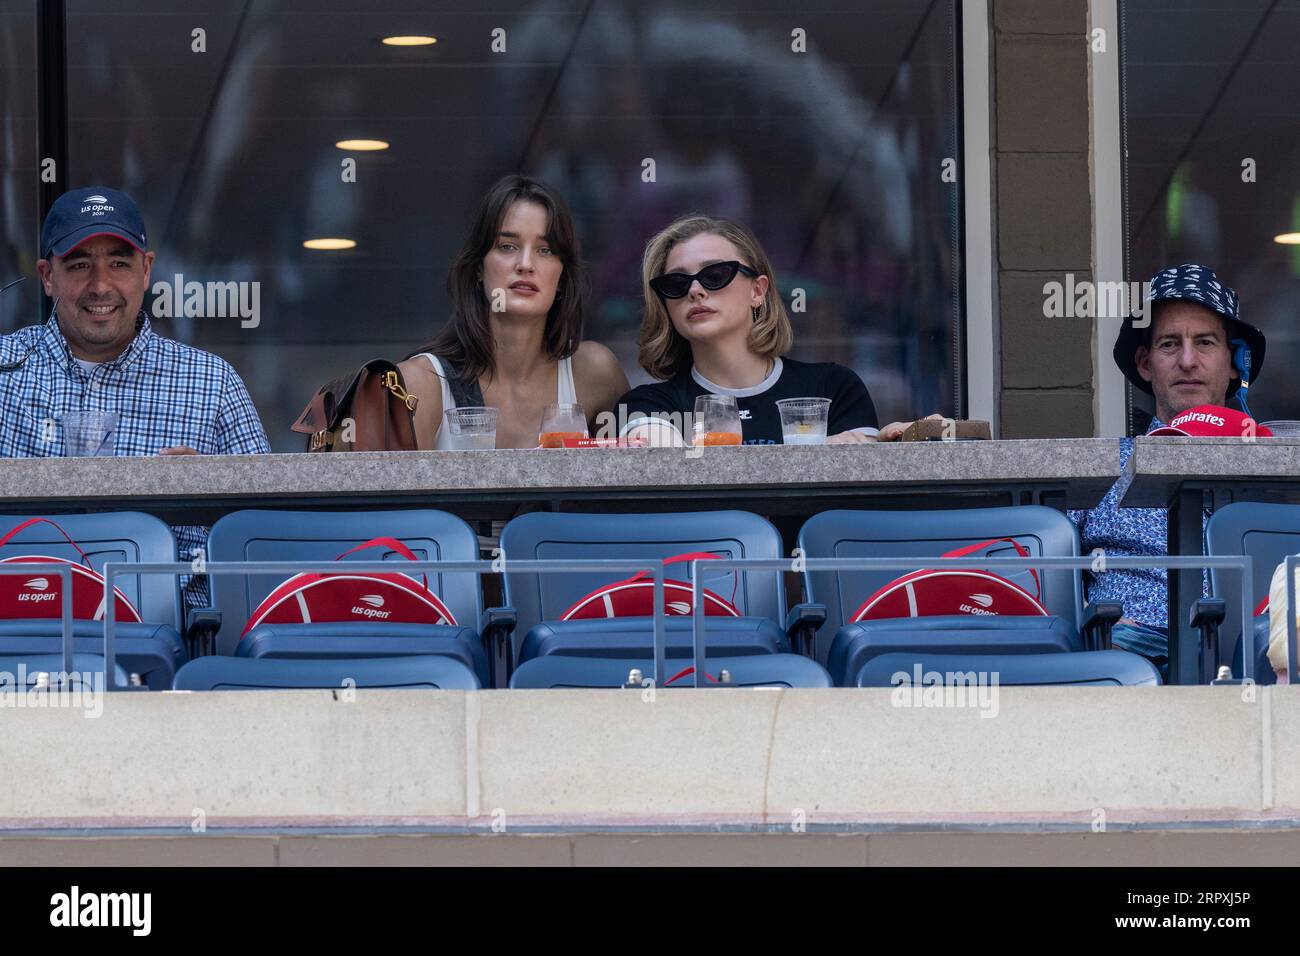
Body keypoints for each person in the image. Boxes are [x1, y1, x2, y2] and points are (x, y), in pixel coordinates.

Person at [0, 186, 270, 607]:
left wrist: (217, 495)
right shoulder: (3, 372)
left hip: (169, 639)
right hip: (20, 630)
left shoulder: (210, 382)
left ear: (146, 271)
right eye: (79, 264)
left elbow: (266, 542)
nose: (100, 285)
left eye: (119, 264)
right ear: (47, 276)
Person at [1070, 263, 1267, 674]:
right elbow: (1018, 559)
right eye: (1169, 345)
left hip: (1254, 651)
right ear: (1145, 363)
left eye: (1206, 342)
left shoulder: (1269, 460)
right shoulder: (1101, 465)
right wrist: (926, 442)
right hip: (1126, 655)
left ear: (1235, 362)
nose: (1188, 361)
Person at [399, 175, 628, 449]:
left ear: (562, 276)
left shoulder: (594, 374)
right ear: (478, 269)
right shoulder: (421, 382)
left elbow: (631, 484)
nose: (526, 264)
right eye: (507, 246)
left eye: (545, 250)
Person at [616, 214, 883, 445]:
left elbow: (860, 494)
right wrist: (818, 450)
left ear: (757, 291)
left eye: (715, 275)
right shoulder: (646, 407)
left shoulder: (834, 388)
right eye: (676, 282)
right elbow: (677, 473)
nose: (695, 290)